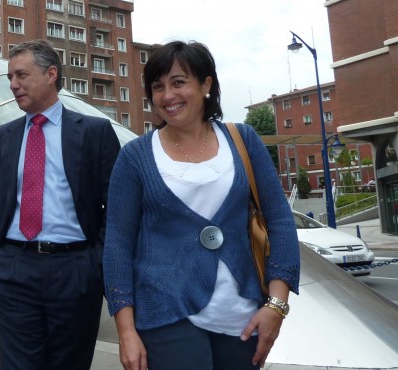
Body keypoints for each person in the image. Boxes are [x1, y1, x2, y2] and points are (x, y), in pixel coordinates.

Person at [103, 40, 301, 370]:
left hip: (242, 316)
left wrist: (276, 306)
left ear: (206, 84)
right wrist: (126, 331)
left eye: (179, 82)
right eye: (158, 86)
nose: (167, 96)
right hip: (165, 312)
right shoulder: (135, 157)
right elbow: (117, 245)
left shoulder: (243, 140)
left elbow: (280, 221)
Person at [0, 40, 120, 369]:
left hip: (75, 270)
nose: (13, 84)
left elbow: (116, 207)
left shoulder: (94, 132)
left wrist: (94, 265)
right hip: (13, 269)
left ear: (51, 74)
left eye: (22, 75)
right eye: (10, 77)